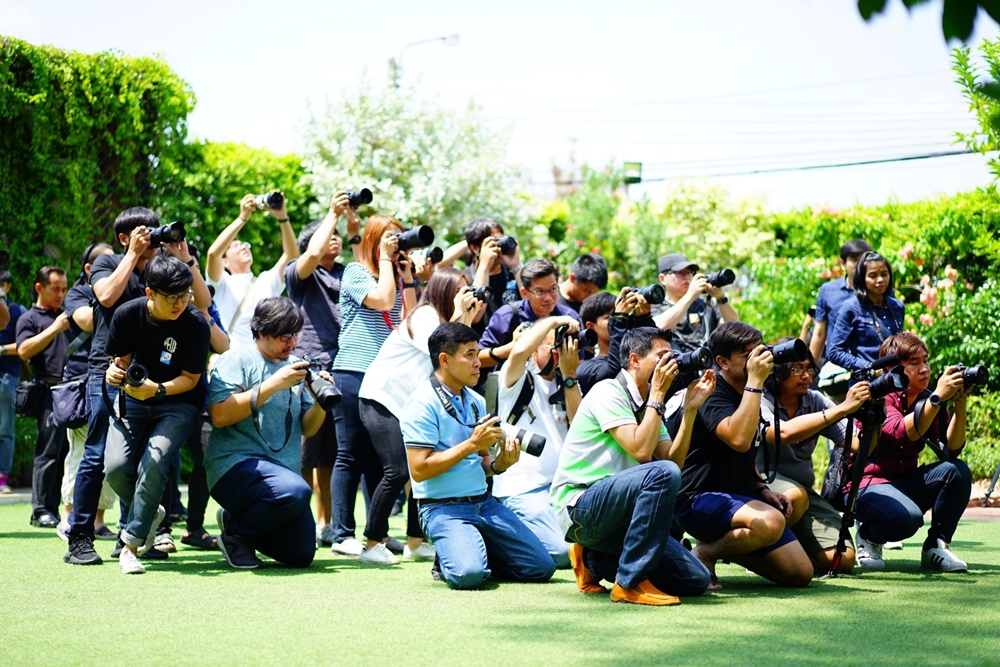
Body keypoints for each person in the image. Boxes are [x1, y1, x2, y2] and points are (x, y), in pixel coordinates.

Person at [63, 208, 210, 566]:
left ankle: (134, 535)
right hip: (110, 367)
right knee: (100, 457)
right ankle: (80, 537)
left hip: (165, 385)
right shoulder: (109, 262)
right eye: (145, 233)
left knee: (155, 458)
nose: (154, 238)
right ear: (124, 238)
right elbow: (106, 297)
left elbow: (201, 305)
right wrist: (131, 256)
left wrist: (184, 259)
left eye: (156, 231)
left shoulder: (170, 271)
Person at [551, 327, 714, 605]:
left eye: (672, 356)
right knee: (661, 474)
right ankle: (628, 583)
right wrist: (658, 395)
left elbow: (673, 462)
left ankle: (591, 560)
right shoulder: (608, 391)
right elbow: (642, 452)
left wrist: (690, 410)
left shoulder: (648, 405)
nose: (669, 363)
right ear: (635, 360)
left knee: (695, 579)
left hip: (616, 518)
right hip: (580, 507)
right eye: (661, 356)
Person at [400, 322, 555, 589]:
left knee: (541, 567)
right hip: (442, 507)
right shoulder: (421, 402)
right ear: (445, 360)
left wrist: (499, 464)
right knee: (468, 575)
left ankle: (469, 546)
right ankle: (455, 554)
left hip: (484, 503)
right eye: (469, 355)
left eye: (477, 353)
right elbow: (419, 470)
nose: (478, 362)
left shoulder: (476, 400)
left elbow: (482, 461)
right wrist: (471, 445)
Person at [358, 268, 485, 564]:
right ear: (442, 291)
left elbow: (458, 349)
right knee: (398, 471)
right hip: (383, 398)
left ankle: (415, 542)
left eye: (467, 289)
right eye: (459, 290)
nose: (464, 295)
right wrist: (460, 314)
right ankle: (372, 544)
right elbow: (442, 350)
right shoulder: (426, 315)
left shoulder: (447, 321)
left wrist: (466, 315)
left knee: (430, 464)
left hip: (409, 406)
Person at [675, 321, 813, 589]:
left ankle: (723, 546)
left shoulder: (749, 390)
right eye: (746, 355)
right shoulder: (710, 391)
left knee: (800, 574)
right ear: (722, 362)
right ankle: (704, 553)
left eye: (758, 351)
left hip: (739, 497)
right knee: (771, 521)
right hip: (697, 499)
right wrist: (755, 382)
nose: (756, 359)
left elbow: (749, 450)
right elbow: (738, 440)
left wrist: (761, 488)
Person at [102, 255, 210, 573]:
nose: (180, 303)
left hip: (178, 403)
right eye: (171, 297)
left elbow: (191, 379)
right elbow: (120, 361)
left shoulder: (195, 323)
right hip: (133, 399)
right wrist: (114, 372)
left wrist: (158, 390)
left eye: (185, 295)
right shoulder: (126, 314)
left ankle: (130, 546)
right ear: (150, 293)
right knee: (115, 468)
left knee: (155, 460)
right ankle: (151, 512)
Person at [206, 297, 328, 570]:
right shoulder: (236, 359)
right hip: (233, 466)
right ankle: (236, 535)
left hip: (282, 475)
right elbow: (220, 415)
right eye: (285, 336)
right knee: (296, 490)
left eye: (295, 335)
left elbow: (308, 428)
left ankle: (237, 519)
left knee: (300, 554)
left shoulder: (297, 367)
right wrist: (273, 384)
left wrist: (320, 403)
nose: (292, 343)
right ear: (260, 331)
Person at [329, 213, 417, 557]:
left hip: (384, 378)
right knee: (350, 454)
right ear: (373, 241)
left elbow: (409, 323)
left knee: (380, 460)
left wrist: (407, 277)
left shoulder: (392, 277)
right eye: (390, 239)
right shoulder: (355, 272)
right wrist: (385, 261)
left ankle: (376, 534)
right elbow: (381, 301)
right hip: (353, 371)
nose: (397, 245)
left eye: (399, 239)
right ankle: (341, 534)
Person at [848, 332, 972, 573]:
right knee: (908, 519)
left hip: (903, 483)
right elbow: (902, 433)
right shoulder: (878, 396)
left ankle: (936, 546)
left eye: (925, 361)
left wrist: (960, 403)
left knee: (957, 471)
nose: (924, 369)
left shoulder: (927, 399)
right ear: (892, 369)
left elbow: (952, 449)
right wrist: (937, 397)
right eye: (914, 363)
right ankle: (869, 535)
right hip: (867, 486)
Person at [759, 336, 872, 575]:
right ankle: (761, 549)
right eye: (797, 369)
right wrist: (842, 408)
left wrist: (875, 418)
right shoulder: (761, 398)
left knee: (842, 560)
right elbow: (781, 433)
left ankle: (788, 550)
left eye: (809, 369)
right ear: (777, 371)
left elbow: (857, 445)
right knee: (794, 497)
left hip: (803, 493)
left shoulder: (816, 400)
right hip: (762, 488)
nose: (806, 376)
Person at [285, 192, 359, 546]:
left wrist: (354, 227)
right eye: (328, 234)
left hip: (343, 367)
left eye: (337, 235)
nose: (335, 238)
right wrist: (333, 213)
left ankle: (326, 523)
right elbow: (313, 254)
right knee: (304, 453)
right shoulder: (299, 272)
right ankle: (299, 522)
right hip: (308, 368)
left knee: (331, 454)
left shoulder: (347, 273)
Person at [493, 313, 583, 568]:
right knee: (561, 552)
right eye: (554, 345)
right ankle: (497, 532)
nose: (559, 352)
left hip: (560, 488)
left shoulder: (568, 382)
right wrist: (554, 321)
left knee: (587, 545)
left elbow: (579, 424)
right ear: (534, 349)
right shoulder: (518, 378)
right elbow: (519, 351)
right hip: (523, 488)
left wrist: (569, 374)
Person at [57, 244, 118, 540]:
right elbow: (86, 321)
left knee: (109, 451)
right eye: (108, 262)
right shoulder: (78, 293)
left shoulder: (123, 288)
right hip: (82, 381)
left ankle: (98, 519)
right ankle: (68, 516)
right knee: (82, 450)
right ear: (89, 269)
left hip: (115, 377)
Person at [206, 192, 299, 349]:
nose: (243, 247)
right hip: (237, 355)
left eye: (245, 244)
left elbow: (292, 256)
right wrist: (242, 218)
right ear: (225, 261)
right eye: (236, 246)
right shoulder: (222, 284)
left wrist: (283, 217)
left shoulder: (266, 280)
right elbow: (213, 254)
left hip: (267, 356)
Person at [15, 266, 71, 528]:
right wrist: (55, 328)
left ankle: (58, 508)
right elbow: (23, 350)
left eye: (64, 289)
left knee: (67, 453)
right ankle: (40, 510)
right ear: (39, 288)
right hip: (48, 391)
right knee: (48, 451)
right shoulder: (29, 318)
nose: (61, 294)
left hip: (73, 391)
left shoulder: (69, 315)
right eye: (55, 289)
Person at [479, 258, 582, 373]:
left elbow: (580, 362)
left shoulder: (570, 318)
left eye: (553, 289)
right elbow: (478, 358)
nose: (548, 298)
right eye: (539, 292)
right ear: (524, 293)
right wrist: (512, 348)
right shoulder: (507, 316)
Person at [827, 251, 905, 374]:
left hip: (895, 379)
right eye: (873, 276)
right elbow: (834, 352)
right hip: (865, 382)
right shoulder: (850, 308)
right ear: (861, 279)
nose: (880, 279)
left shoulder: (897, 306)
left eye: (884, 274)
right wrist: (870, 368)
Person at [651, 253, 738, 355]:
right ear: (662, 278)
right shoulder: (656, 307)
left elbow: (734, 328)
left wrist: (721, 298)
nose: (686, 277)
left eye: (689, 272)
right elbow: (657, 328)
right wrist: (690, 295)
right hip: (677, 363)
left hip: (708, 362)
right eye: (680, 273)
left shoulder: (705, 304)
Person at [576, 288, 655, 396]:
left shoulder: (636, 358)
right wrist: (619, 317)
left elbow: (658, 352)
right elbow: (616, 371)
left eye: (620, 316)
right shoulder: (586, 368)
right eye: (609, 317)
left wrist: (644, 319)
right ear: (591, 326)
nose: (616, 321)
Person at [808, 239, 873, 364]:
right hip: (837, 365)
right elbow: (820, 332)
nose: (860, 264)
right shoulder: (828, 290)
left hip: (872, 364)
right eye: (855, 259)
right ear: (843, 263)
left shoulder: (879, 291)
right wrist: (810, 368)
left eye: (864, 260)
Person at [0, 270, 27, 494]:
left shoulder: (18, 311)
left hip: (8, 375)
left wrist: (0, 350)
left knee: (4, 427)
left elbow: (27, 344)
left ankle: (2, 478)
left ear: (7, 286)